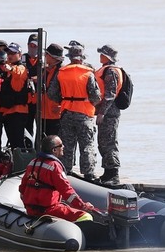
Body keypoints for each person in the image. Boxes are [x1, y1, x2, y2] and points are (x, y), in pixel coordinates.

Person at [48, 44, 100, 179]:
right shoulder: (88, 73)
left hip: (66, 113)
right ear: (82, 58)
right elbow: (96, 96)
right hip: (84, 114)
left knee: (66, 145)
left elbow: (51, 93)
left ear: (69, 57)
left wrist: (63, 101)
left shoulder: (62, 72)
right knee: (87, 145)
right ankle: (88, 175)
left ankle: (66, 172)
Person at [18, 135, 98, 222]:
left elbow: (22, 189)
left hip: (31, 211)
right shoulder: (54, 167)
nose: (63, 147)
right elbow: (67, 191)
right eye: (61, 145)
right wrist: (83, 206)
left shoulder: (32, 163)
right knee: (86, 217)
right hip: (49, 210)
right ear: (54, 150)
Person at [94, 44, 123, 185]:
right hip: (107, 113)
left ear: (107, 57)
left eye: (102, 54)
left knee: (109, 143)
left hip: (109, 113)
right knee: (103, 143)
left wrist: (102, 113)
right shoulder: (108, 69)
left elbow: (110, 94)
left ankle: (113, 174)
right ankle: (107, 173)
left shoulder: (110, 71)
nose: (100, 56)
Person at [0, 41, 30, 149]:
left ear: (19, 55)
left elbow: (19, 73)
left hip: (18, 112)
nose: (10, 55)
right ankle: (15, 164)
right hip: (9, 111)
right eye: (8, 53)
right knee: (14, 143)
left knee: (18, 143)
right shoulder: (8, 69)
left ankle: (21, 165)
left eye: (13, 53)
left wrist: (10, 69)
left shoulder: (21, 68)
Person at [41, 43, 65, 136]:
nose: (45, 57)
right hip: (43, 113)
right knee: (42, 142)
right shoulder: (46, 70)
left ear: (52, 57)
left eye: (46, 54)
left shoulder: (62, 71)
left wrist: (61, 106)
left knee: (55, 141)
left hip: (56, 114)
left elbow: (65, 90)